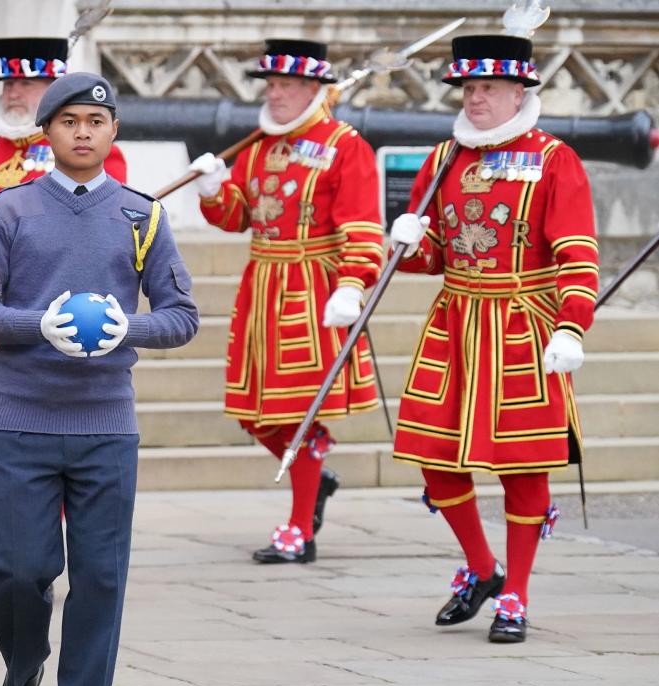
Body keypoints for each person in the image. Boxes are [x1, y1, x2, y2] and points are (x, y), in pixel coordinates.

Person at [0, 72, 199, 686]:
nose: (84, 132)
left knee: (99, 580)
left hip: (105, 423)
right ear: (47, 133)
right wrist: (43, 327)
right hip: (23, 419)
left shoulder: (140, 215)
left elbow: (180, 315)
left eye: (97, 119)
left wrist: (128, 325)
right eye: (69, 122)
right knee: (17, 571)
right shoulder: (9, 212)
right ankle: (23, 664)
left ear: (112, 130)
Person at [389, 34, 598, 643]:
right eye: (468, 88)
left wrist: (570, 324)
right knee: (433, 456)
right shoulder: (445, 156)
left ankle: (517, 595)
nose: (475, 98)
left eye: (487, 88)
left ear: (518, 91)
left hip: (522, 323)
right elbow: (432, 254)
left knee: (523, 463)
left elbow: (578, 256)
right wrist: (406, 242)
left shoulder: (555, 158)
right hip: (454, 321)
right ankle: (482, 568)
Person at [189, 39, 384, 564]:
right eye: (271, 84)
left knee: (296, 412)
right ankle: (313, 471)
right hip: (261, 287)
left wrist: (352, 284)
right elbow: (239, 216)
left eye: (286, 85)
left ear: (314, 89)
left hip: (312, 287)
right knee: (254, 411)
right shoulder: (258, 146)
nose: (274, 94)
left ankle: (300, 528)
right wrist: (214, 189)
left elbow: (363, 228)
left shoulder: (346, 146)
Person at [0, 37, 128, 491]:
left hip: (68, 310)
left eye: (29, 82)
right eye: (9, 81)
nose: (14, 92)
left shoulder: (86, 150)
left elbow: (105, 229)